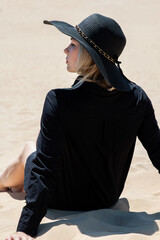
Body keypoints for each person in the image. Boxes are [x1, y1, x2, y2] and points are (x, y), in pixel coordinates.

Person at [2, 13, 160, 240]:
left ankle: (3, 183)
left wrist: (25, 229)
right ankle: (14, 185)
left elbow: (44, 169)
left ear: (90, 56)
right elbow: (158, 151)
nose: (65, 50)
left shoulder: (59, 100)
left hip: (61, 200)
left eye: (73, 45)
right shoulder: (137, 99)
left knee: (30, 151)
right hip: (106, 198)